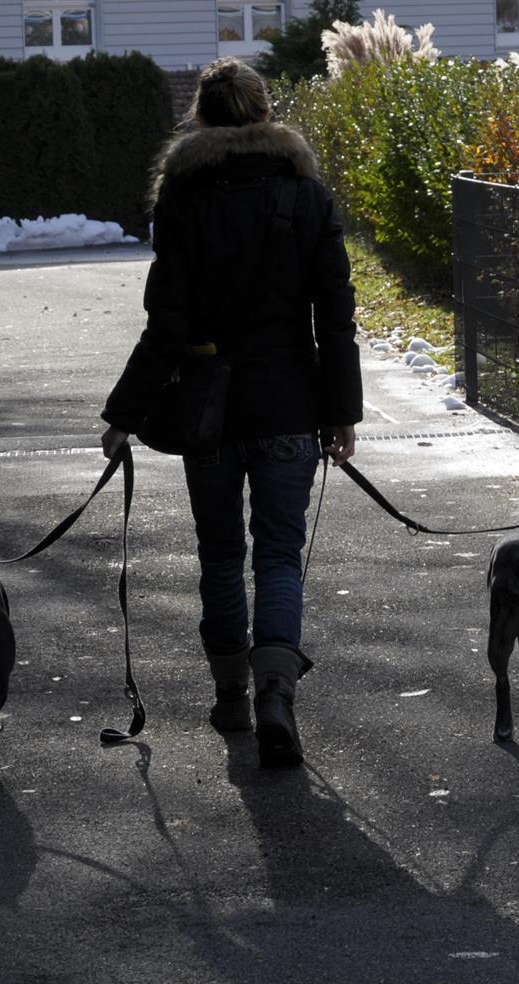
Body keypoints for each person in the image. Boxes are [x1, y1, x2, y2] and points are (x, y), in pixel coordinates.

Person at [100, 56, 361, 769]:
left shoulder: (183, 198)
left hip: (207, 413)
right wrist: (342, 413)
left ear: (203, 118)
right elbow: (335, 318)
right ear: (266, 114)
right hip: (289, 406)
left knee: (220, 554)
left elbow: (167, 324)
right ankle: (278, 691)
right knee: (279, 554)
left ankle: (231, 697)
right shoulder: (307, 195)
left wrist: (124, 414)